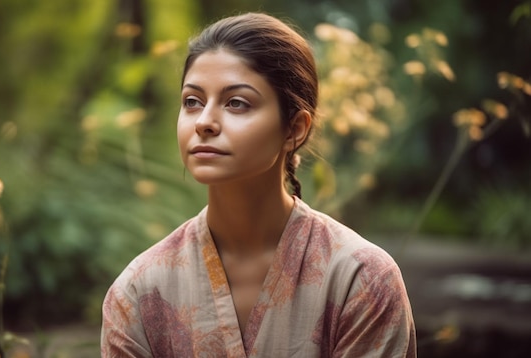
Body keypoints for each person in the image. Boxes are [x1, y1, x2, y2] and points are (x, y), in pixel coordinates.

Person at [101, 12, 416, 357]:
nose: (204, 121)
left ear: (294, 129)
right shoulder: (139, 292)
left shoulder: (361, 280)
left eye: (236, 103)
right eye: (192, 101)